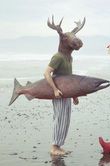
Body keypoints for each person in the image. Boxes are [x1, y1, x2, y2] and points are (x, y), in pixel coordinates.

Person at [44, 17, 85, 155]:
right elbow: (46, 73)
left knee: (65, 119)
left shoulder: (69, 57)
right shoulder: (58, 57)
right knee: (59, 118)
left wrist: (74, 95)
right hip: (58, 93)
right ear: (63, 41)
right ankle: (54, 147)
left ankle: (59, 145)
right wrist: (55, 89)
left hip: (67, 93)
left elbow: (70, 78)